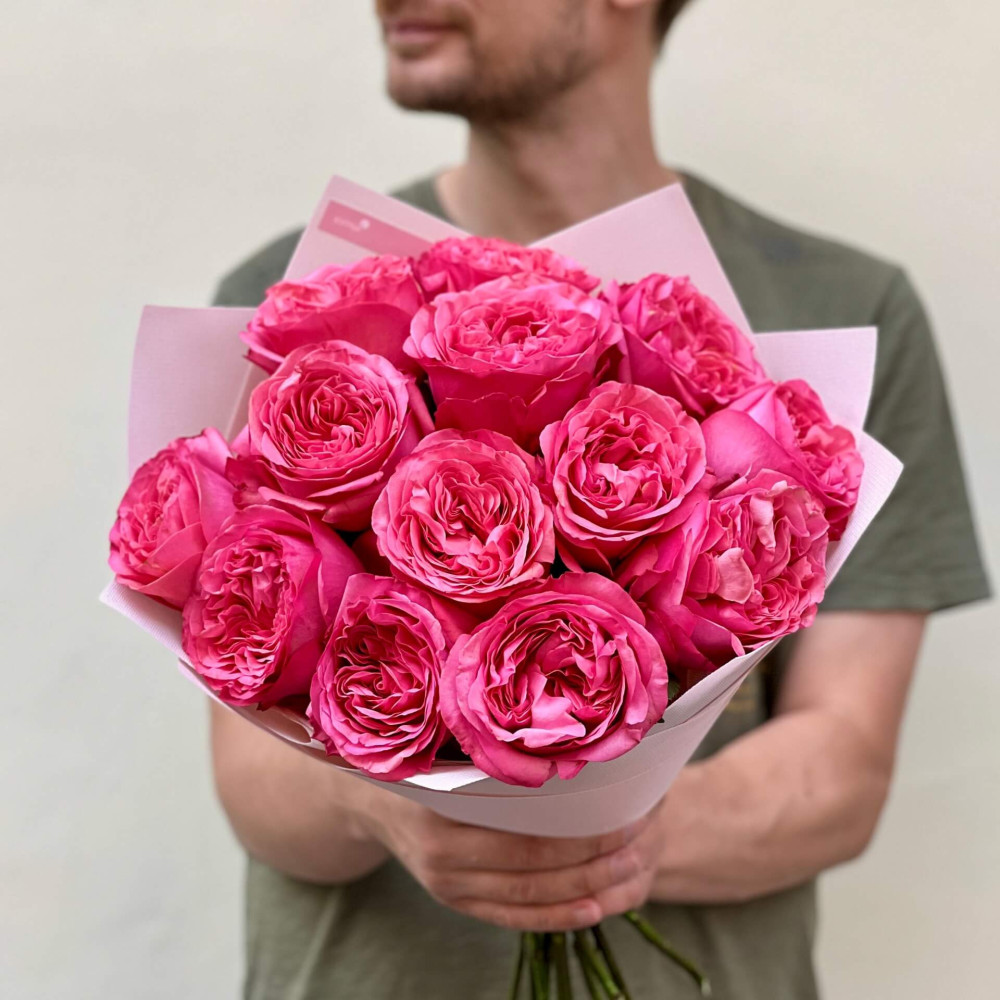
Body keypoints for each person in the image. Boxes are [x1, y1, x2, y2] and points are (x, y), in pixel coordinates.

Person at [210, 2, 991, 997]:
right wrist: (386, 805)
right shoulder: (301, 304)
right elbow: (249, 779)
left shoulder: (843, 309)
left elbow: (843, 766)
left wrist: (597, 829)